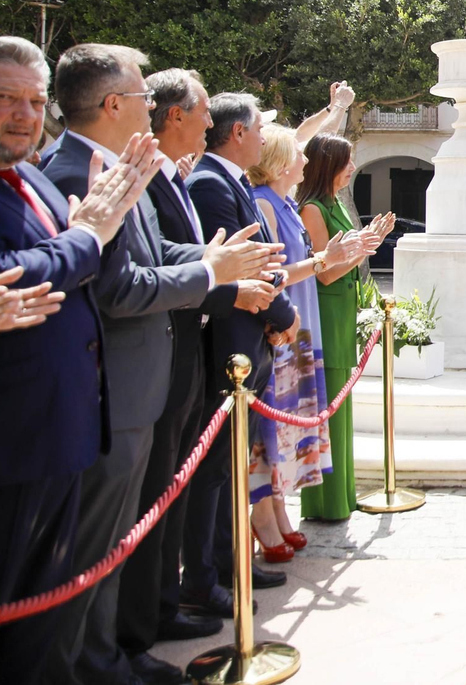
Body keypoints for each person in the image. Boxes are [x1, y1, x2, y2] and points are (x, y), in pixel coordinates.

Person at [38, 45, 276, 685]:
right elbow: (119, 287)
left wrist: (210, 258)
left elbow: (153, 247)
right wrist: (209, 272)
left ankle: (115, 647)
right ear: (114, 104)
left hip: (143, 384)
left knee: (121, 537)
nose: (154, 108)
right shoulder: (77, 172)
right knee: (95, 545)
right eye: (144, 96)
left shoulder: (121, 166)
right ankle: (95, 660)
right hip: (111, 389)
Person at [0, 36, 158, 685]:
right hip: (6, 443)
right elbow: (13, 276)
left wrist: (81, 237)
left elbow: (68, 263)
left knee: (40, 620)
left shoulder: (29, 177)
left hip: (65, 430)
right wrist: (84, 235)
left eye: (33, 101)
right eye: (4, 99)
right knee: (2, 614)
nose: (25, 115)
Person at [117, 69, 272, 663]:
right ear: (174, 115)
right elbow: (135, 275)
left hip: (177, 358)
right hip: (165, 358)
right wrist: (221, 277)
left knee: (173, 495)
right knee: (157, 501)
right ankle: (138, 629)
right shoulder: (165, 178)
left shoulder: (173, 177)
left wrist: (218, 266)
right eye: (202, 111)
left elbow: (170, 255)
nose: (209, 123)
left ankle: (158, 608)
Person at [182, 94, 303, 607]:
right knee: (215, 472)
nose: (262, 138)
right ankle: (211, 575)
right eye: (258, 129)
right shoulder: (210, 184)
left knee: (230, 468)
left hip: (248, 340)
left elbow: (263, 260)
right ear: (238, 134)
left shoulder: (227, 181)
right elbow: (237, 268)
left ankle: (231, 566)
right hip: (229, 345)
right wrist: (283, 316)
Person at [248, 125, 366, 557]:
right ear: (281, 162)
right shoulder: (265, 201)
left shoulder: (283, 203)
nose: (305, 160)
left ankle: (277, 509)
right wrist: (330, 258)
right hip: (286, 325)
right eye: (297, 154)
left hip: (302, 323)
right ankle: (267, 515)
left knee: (289, 423)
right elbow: (286, 271)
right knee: (272, 426)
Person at [298, 134, 386, 520]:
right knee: (329, 407)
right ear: (327, 163)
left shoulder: (335, 203)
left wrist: (366, 244)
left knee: (341, 407)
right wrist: (363, 249)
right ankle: (325, 503)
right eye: (346, 161)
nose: (351, 168)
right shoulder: (313, 208)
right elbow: (327, 274)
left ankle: (343, 497)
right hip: (326, 314)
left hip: (342, 316)